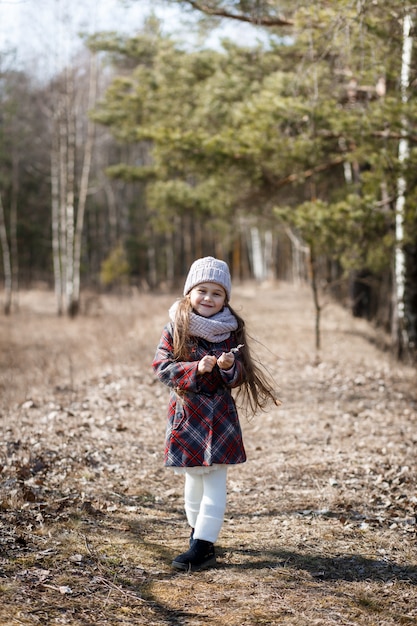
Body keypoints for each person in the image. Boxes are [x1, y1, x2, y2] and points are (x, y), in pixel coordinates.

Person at [152, 256, 278, 572]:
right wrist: (195, 368)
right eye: (202, 290)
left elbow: (241, 377)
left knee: (216, 482)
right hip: (187, 417)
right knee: (193, 480)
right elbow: (161, 368)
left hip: (220, 420)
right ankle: (198, 536)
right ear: (189, 293)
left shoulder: (230, 332)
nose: (208, 298)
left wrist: (228, 368)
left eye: (217, 293)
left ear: (225, 298)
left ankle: (204, 546)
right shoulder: (174, 328)